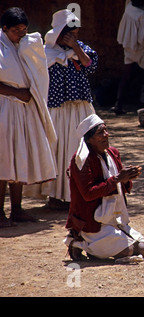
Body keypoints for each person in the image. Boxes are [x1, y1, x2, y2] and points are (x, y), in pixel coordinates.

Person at [0, 7, 57, 228]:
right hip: (5, 108)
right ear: (4, 29)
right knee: (4, 161)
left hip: (24, 109)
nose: (21, 34)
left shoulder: (25, 45)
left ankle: (17, 210)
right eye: (16, 30)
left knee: (18, 158)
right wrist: (16, 93)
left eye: (24, 29)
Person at [63, 114, 144, 261]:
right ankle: (80, 243)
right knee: (128, 250)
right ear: (89, 140)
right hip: (92, 221)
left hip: (113, 218)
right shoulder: (81, 160)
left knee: (143, 249)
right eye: (100, 132)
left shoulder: (112, 153)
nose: (106, 135)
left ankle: (95, 248)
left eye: (106, 130)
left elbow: (122, 187)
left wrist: (127, 178)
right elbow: (88, 194)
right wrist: (117, 179)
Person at [41, 9, 98, 209]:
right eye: (69, 35)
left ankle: (80, 194)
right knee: (59, 150)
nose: (74, 38)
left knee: (78, 147)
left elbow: (90, 65)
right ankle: (56, 196)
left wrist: (75, 46)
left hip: (80, 107)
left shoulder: (80, 49)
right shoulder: (46, 53)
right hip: (58, 108)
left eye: (76, 35)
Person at [112, 0, 144, 115]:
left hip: (128, 47)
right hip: (140, 48)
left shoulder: (128, 7)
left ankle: (118, 104)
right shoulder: (142, 16)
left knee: (126, 76)